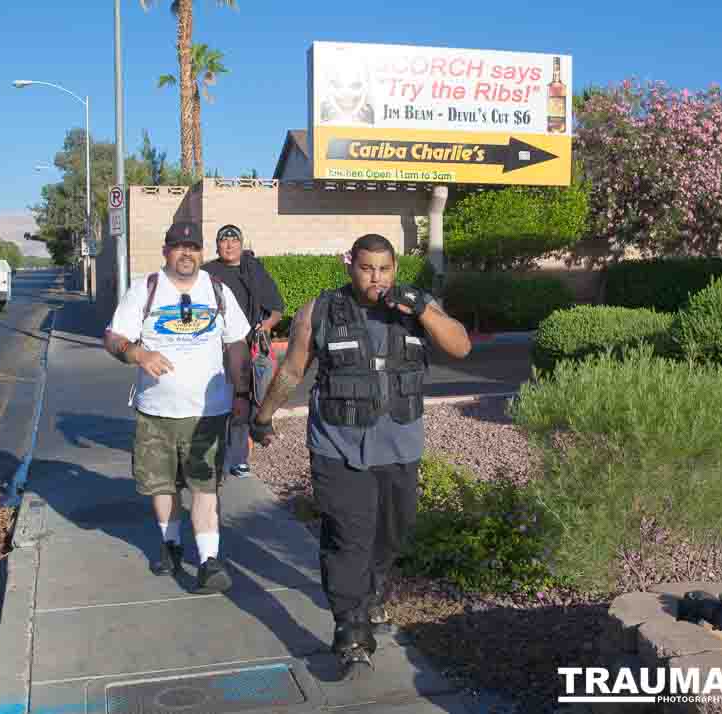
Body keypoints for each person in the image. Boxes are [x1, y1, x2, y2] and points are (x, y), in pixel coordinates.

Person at [249, 234, 471, 680]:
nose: (376, 278)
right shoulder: (321, 309)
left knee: (394, 530)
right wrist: (264, 414)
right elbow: (293, 368)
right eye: (367, 268)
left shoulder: (415, 305)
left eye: (384, 269)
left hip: (399, 445)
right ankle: (350, 629)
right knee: (349, 536)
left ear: (394, 268)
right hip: (338, 446)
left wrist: (424, 309)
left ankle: (371, 594)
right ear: (350, 265)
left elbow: (461, 346)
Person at [103, 221, 252, 595]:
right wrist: (137, 353)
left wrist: (240, 393)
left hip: (208, 412)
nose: (187, 253)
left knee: (205, 488)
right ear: (166, 251)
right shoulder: (146, 289)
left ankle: (208, 561)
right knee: (162, 486)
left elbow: (236, 344)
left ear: (202, 253)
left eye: (193, 247)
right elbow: (113, 337)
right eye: (179, 247)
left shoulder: (217, 290)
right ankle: (171, 545)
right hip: (156, 411)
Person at [202, 224, 284, 479]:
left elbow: (276, 309)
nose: (228, 245)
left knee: (243, 400)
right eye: (223, 241)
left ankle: (239, 458)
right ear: (217, 245)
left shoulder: (254, 270)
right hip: (214, 348)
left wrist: (266, 326)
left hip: (247, 346)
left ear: (241, 244)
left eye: (233, 241)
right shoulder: (207, 273)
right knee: (212, 400)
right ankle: (207, 455)